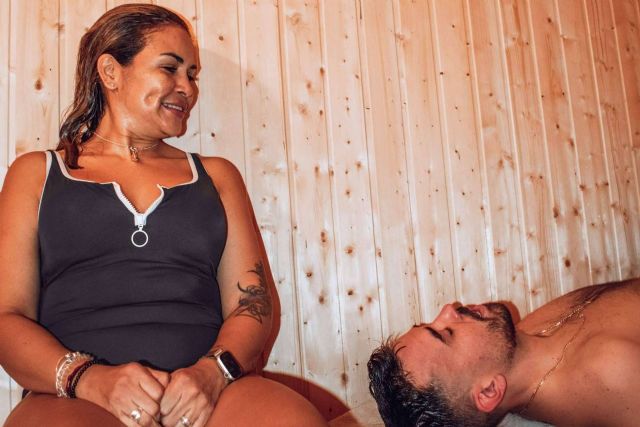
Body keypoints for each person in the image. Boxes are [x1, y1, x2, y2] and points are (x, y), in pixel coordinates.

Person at [0, 4, 326, 427]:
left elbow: (253, 305)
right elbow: (6, 316)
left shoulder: (217, 177)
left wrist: (212, 374)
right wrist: (89, 379)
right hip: (76, 397)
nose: (187, 88)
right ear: (111, 72)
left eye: (192, 74)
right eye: (170, 68)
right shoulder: (37, 174)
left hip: (209, 394)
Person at [367, 279, 640, 427]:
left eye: (430, 323)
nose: (448, 310)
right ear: (489, 391)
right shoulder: (609, 376)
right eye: (446, 333)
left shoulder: (522, 336)